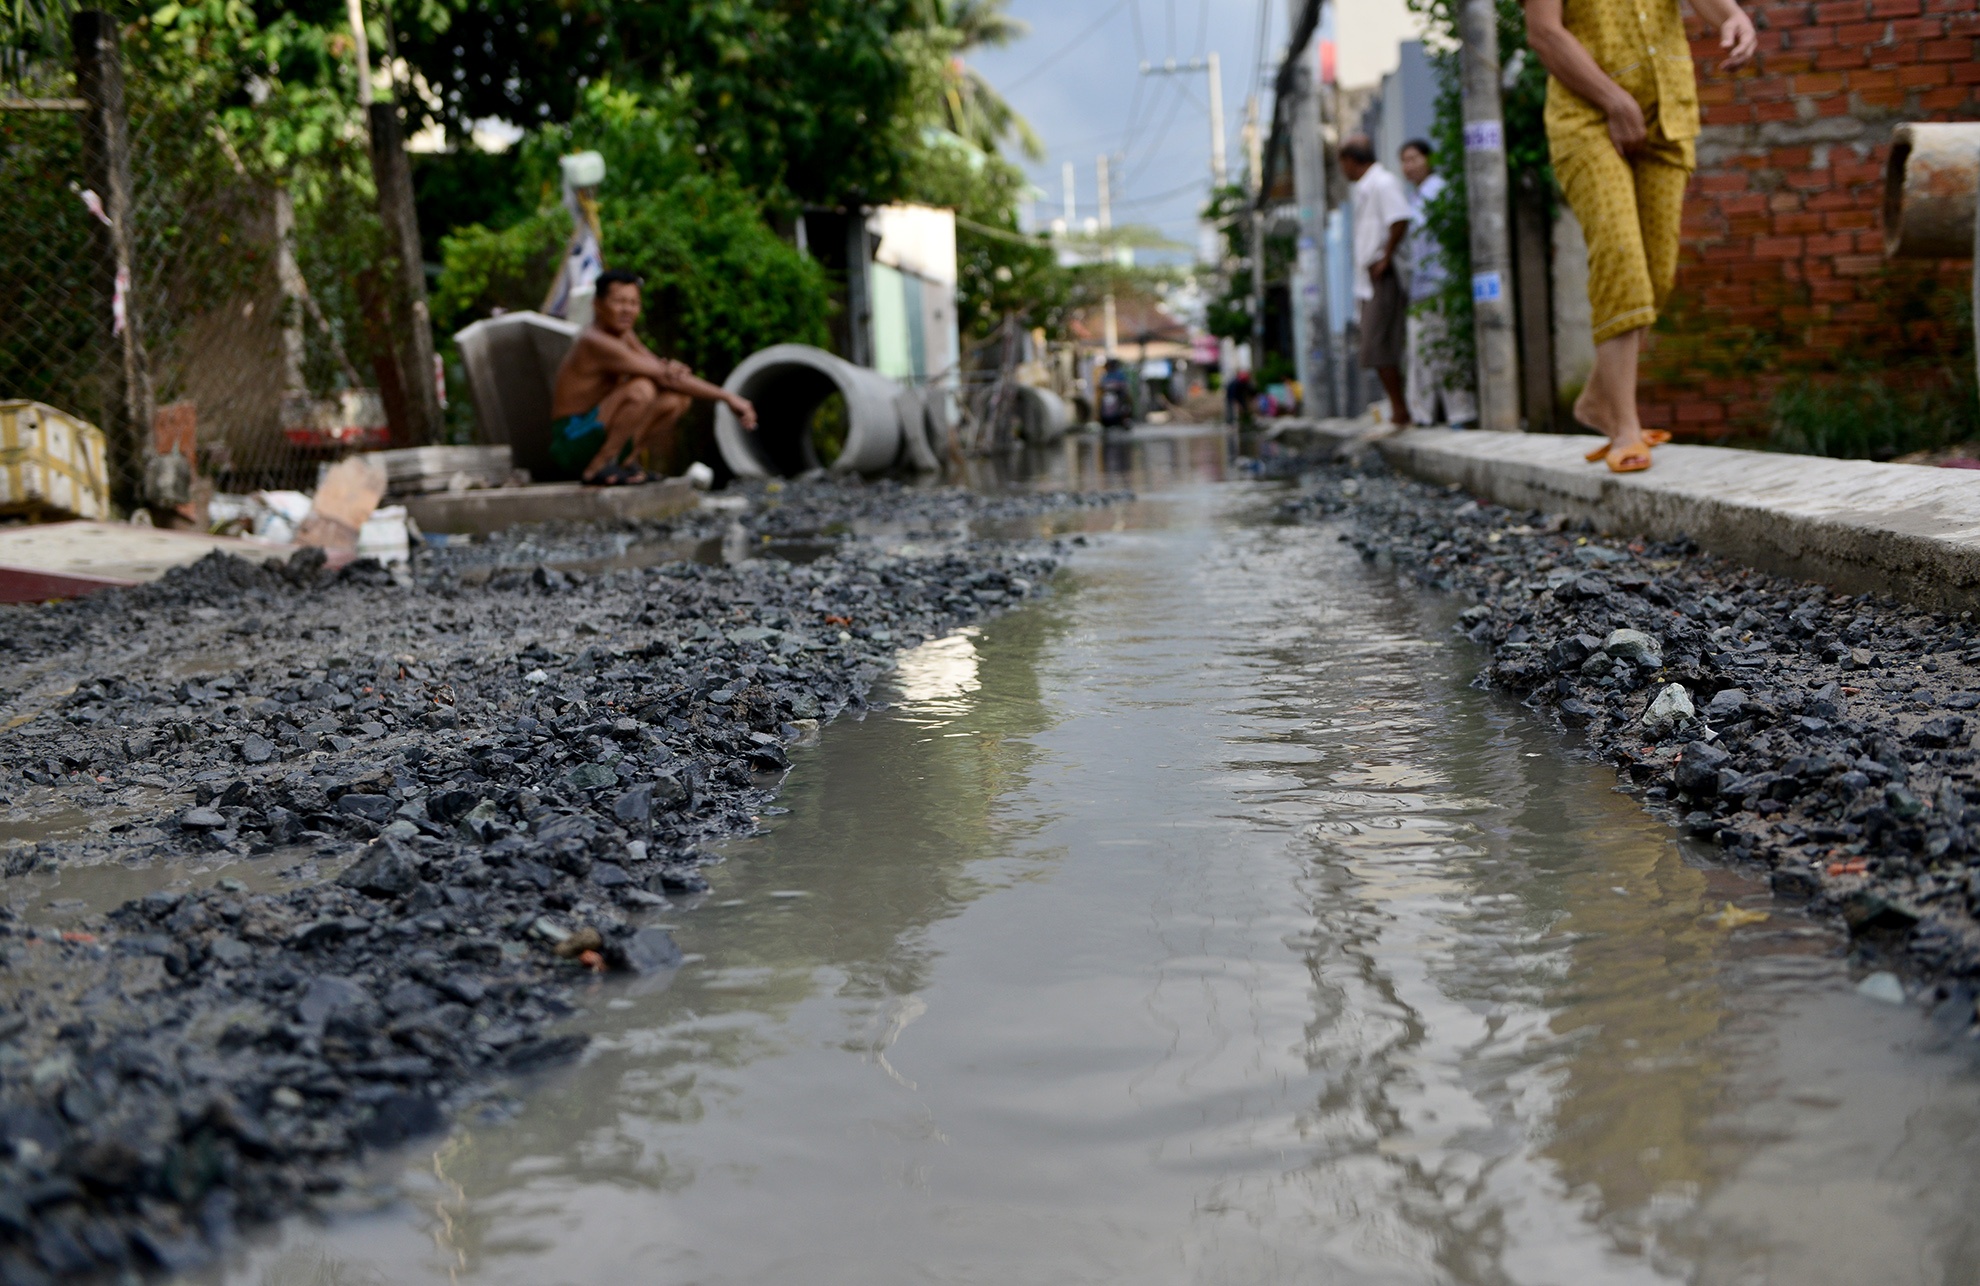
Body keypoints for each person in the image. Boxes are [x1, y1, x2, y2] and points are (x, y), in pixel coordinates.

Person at [1524, 0, 1754, 471]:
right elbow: (1544, 33)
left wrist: (1732, 16)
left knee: (1655, 277)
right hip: (1588, 119)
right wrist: (1612, 99)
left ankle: (1595, 400)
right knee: (1621, 257)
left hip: (1667, 114)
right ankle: (1624, 427)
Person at [548, 268, 758, 485]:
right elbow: (663, 375)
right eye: (619, 302)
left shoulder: (624, 334)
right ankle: (599, 467)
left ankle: (626, 462)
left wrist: (669, 369)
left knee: (677, 399)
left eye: (633, 303)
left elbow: (662, 371)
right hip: (571, 440)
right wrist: (727, 397)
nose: (627, 310)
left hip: (595, 428)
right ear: (598, 305)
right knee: (642, 389)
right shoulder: (595, 341)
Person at [1397, 140, 1478, 429]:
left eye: (1414, 158)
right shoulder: (1413, 198)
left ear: (1428, 159)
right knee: (1421, 353)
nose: (1409, 166)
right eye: (1404, 161)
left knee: (1446, 350)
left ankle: (1460, 413)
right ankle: (1425, 414)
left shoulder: (1439, 190)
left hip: (1442, 284)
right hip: (1420, 288)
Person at [1338, 135, 1414, 427]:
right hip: (1370, 277)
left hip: (1382, 275)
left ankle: (1400, 410)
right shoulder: (1366, 189)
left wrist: (1385, 257)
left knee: (1378, 344)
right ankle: (1399, 409)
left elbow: (1400, 219)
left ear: (1351, 161)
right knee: (1376, 346)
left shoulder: (1382, 183)